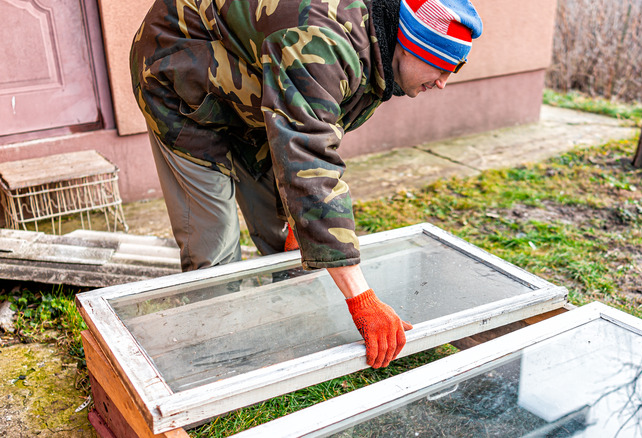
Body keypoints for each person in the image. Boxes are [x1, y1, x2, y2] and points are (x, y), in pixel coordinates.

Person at [130, 0, 482, 369]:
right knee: (214, 247)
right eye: (442, 66)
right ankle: (217, 362)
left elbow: (313, 134)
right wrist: (361, 299)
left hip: (259, 97)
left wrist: (307, 224)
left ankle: (291, 334)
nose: (443, 83)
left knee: (281, 230)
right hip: (179, 78)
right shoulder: (324, 40)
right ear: (412, 45)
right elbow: (308, 158)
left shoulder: (379, 51)